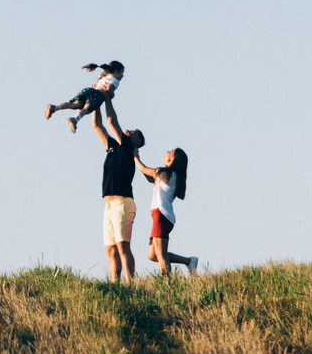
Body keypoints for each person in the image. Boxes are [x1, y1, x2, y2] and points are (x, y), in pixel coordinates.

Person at [91, 107, 146, 280]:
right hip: (108, 206)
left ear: (136, 141)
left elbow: (112, 122)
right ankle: (115, 285)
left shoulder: (129, 148)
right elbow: (98, 125)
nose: (129, 131)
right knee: (111, 249)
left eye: (133, 132)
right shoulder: (113, 147)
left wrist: (107, 98)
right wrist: (96, 102)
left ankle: (131, 283)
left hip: (122, 203)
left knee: (122, 246)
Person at [137, 146, 197, 276]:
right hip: (160, 216)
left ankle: (166, 285)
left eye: (171, 151)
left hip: (161, 215)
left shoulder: (167, 174)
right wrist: (137, 158)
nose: (167, 151)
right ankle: (189, 261)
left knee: (161, 255)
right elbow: (148, 176)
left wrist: (134, 156)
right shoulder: (168, 174)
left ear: (175, 159)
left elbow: (143, 169)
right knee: (153, 255)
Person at [44, 60, 125, 132]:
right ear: (116, 72)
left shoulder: (104, 77)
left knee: (74, 104)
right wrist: (112, 95)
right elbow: (109, 87)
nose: (122, 75)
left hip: (89, 90)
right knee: (86, 109)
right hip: (97, 95)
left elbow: (97, 85)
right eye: (122, 72)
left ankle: (55, 107)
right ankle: (75, 119)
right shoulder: (115, 80)